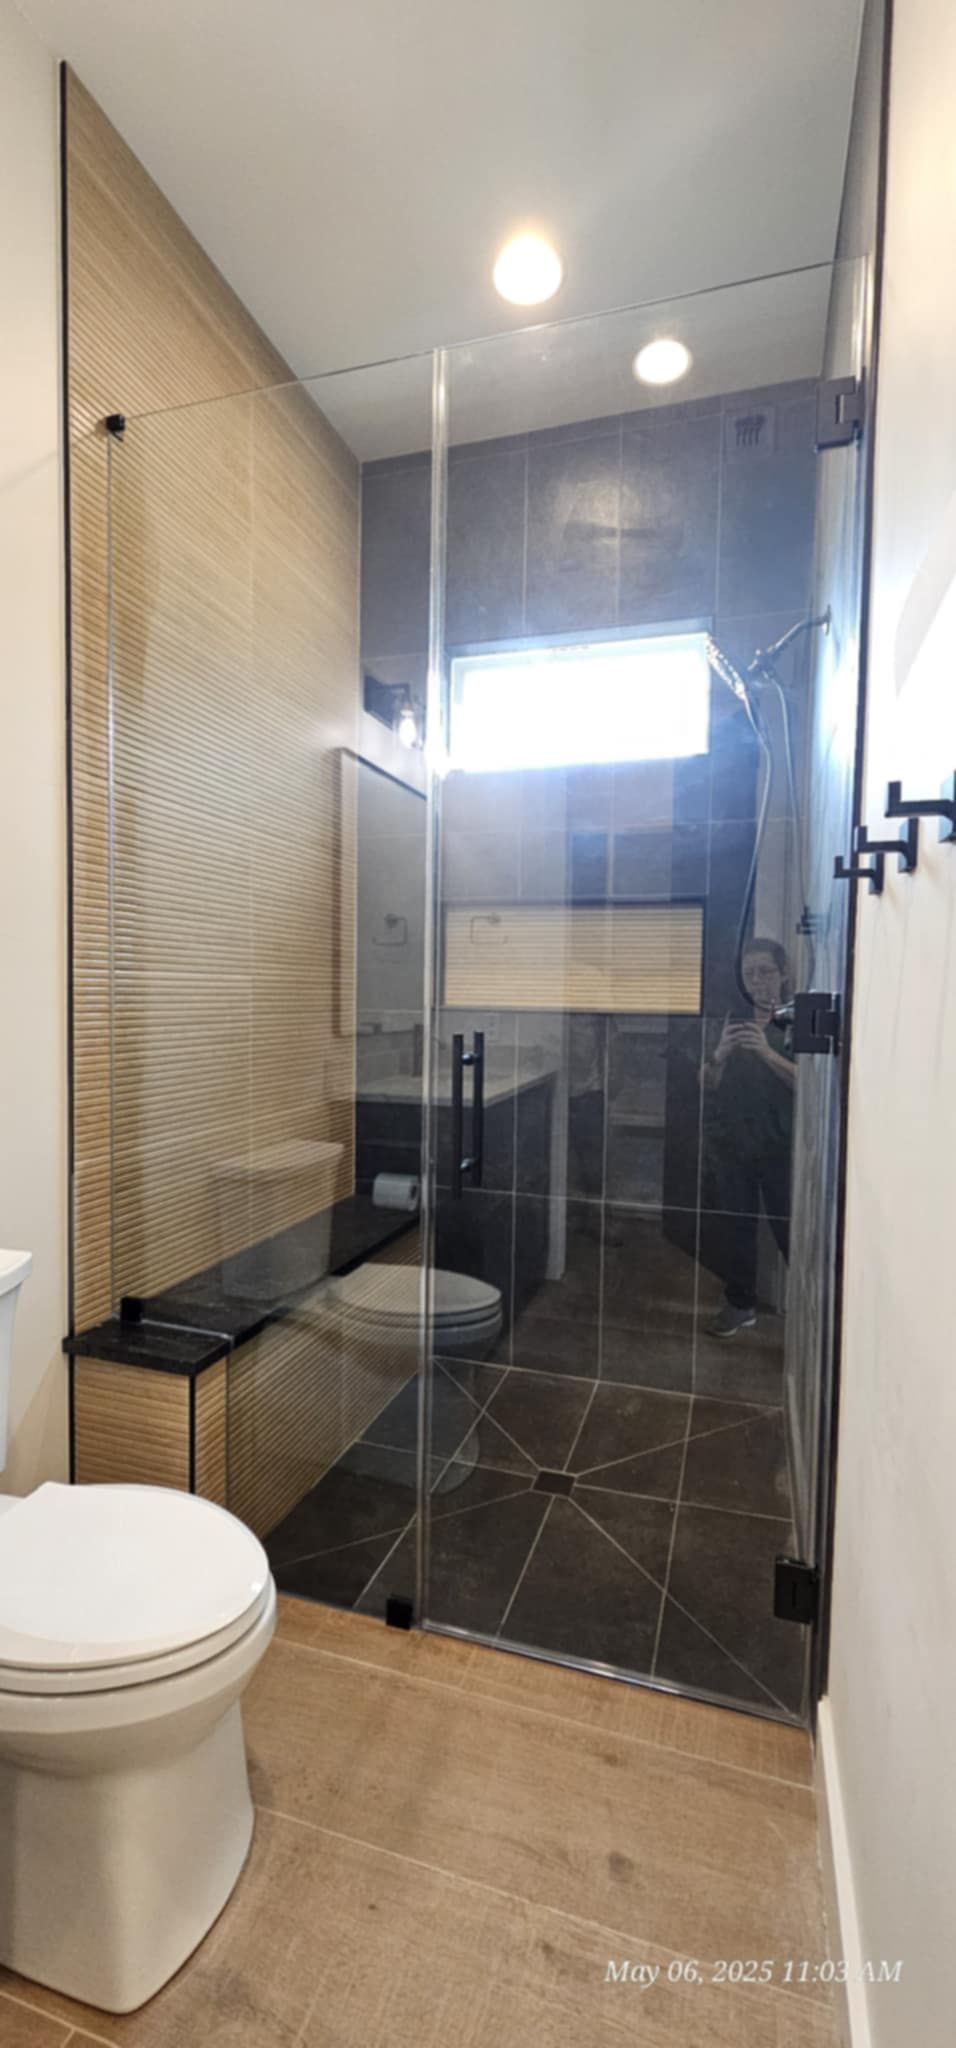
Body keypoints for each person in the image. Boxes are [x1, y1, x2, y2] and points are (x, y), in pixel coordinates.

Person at [700, 938, 795, 1337]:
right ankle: (740, 1305)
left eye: (766, 971)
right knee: (735, 1229)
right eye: (749, 973)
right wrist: (719, 1053)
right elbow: (704, 1082)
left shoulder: (794, 1018)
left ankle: (814, 1312)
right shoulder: (731, 1019)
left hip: (781, 1146)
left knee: (790, 1228)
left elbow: (811, 1084)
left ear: (783, 974)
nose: (757, 981)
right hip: (732, 1143)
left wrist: (767, 1053)